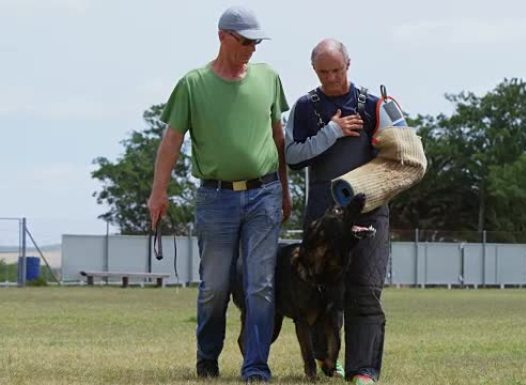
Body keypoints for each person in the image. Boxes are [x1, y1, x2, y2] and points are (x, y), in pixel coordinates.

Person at [147, 6, 289, 383]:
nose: (252, 49)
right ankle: (207, 358)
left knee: (260, 284)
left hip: (265, 194)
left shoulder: (269, 78)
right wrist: (157, 194)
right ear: (223, 36)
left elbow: (279, 140)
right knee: (215, 287)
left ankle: (256, 366)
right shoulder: (193, 84)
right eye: (245, 41)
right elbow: (171, 142)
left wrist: (286, 191)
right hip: (216, 199)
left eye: (256, 42)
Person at [284, 38, 390, 385]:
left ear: (349, 64)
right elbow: (293, 157)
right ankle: (329, 361)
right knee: (323, 292)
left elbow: (400, 153)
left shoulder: (373, 105)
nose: (330, 78)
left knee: (364, 289)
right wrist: (332, 132)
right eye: (322, 71)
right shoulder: (304, 108)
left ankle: (364, 370)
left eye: (336, 70)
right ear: (314, 70)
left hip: (369, 212)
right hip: (322, 216)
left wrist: (389, 136)